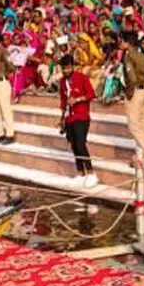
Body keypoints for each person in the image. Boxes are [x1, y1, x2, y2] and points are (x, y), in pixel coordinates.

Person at [58, 54, 98, 188]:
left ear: (73, 67)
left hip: (82, 116)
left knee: (81, 144)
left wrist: (78, 99)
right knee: (74, 145)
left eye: (68, 68)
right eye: (64, 69)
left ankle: (91, 173)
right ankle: (80, 173)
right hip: (69, 117)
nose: (66, 71)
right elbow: (63, 101)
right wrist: (61, 118)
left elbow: (92, 94)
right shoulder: (62, 82)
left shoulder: (82, 78)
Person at [120, 30, 144, 169]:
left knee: (133, 126)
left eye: (122, 41)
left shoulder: (128, 56)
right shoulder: (141, 55)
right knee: (142, 125)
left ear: (127, 42)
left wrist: (129, 93)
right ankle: (143, 157)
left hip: (135, 92)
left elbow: (131, 76)